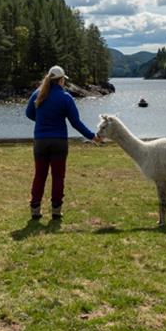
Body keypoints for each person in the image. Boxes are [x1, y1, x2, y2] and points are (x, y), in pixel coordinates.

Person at [25, 65, 99, 221]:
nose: (64, 83)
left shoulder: (37, 94)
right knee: (58, 177)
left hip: (40, 141)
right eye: (64, 80)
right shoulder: (66, 98)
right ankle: (56, 211)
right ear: (60, 80)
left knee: (40, 175)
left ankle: (35, 210)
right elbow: (75, 123)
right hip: (59, 142)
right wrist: (92, 136)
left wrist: (41, 121)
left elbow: (28, 113)